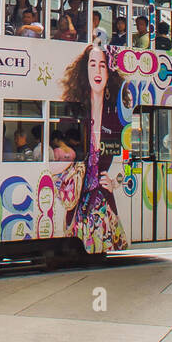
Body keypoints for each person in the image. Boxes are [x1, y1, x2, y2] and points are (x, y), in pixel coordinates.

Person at [59, 44, 127, 252]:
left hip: (105, 205)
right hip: (79, 204)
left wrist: (116, 179)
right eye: (92, 65)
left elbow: (129, 154)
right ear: (85, 70)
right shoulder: (73, 109)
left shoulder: (117, 115)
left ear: (108, 72)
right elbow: (58, 147)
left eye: (102, 65)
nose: (97, 71)